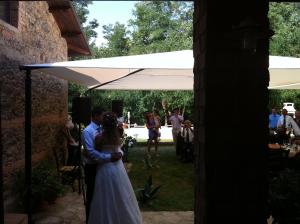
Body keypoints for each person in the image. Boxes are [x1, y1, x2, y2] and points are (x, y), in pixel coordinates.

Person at [88, 112, 142, 224]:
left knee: (105, 196)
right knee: (120, 194)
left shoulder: (99, 137)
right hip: (118, 168)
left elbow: (97, 154)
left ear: (103, 124)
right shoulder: (117, 136)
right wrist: (119, 155)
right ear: (114, 124)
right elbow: (119, 151)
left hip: (104, 168)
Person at [82, 107, 123, 222]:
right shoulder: (88, 131)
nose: (103, 118)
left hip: (104, 166)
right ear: (95, 115)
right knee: (92, 196)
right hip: (92, 167)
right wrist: (110, 157)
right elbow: (91, 153)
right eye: (102, 115)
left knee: (106, 196)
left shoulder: (103, 130)